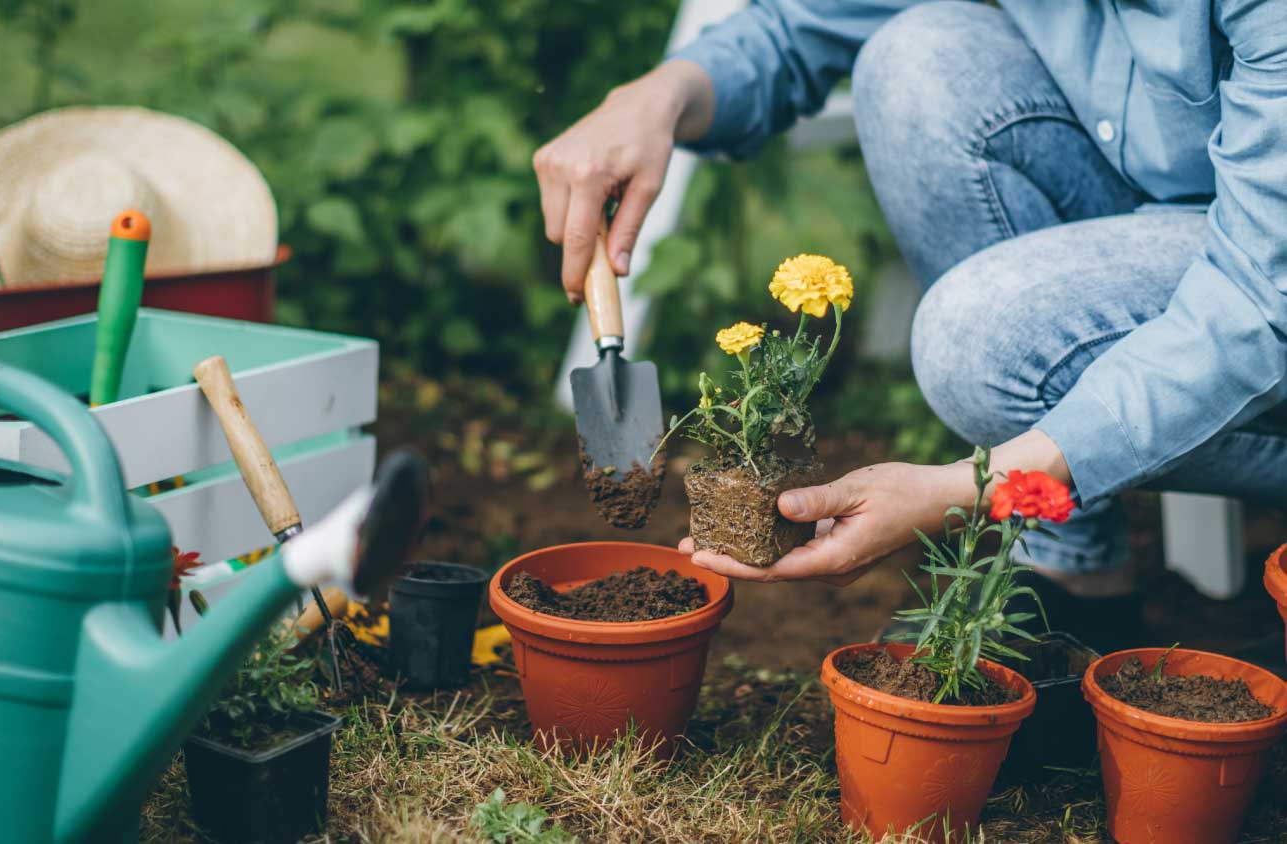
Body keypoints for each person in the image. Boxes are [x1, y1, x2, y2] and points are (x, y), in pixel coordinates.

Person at [533, 1, 1287, 648]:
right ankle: (1071, 581)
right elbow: (809, 25)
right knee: (917, 59)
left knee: (981, 340)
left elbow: (1256, 307)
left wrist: (971, 489)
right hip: (1177, 209)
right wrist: (661, 95)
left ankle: (1052, 521)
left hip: (1261, 272)